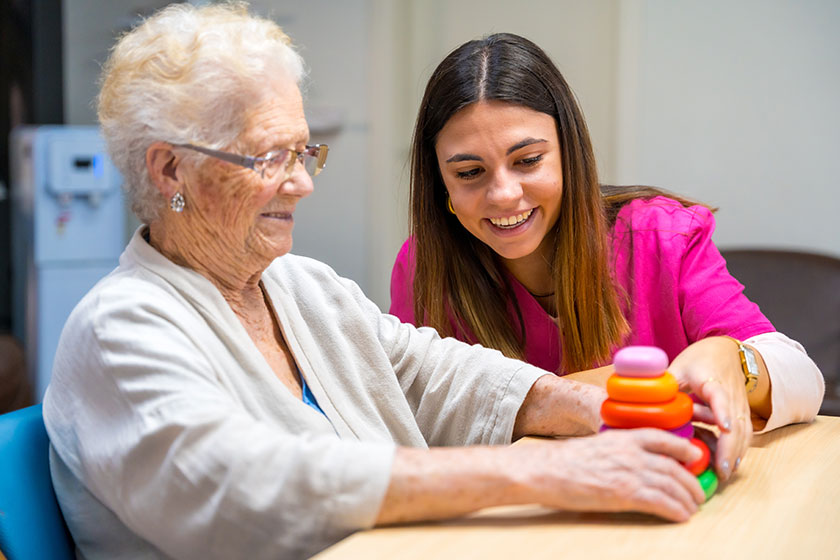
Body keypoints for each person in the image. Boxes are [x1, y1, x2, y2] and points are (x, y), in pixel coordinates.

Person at [42, 6, 716, 560]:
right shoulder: (121, 328)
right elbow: (252, 487)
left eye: (304, 153)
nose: (303, 182)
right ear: (170, 173)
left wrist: (591, 412)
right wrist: (545, 471)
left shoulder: (297, 285)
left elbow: (430, 372)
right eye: (270, 158)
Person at [390, 32, 824, 483]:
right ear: (441, 182)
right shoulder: (424, 268)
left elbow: (805, 381)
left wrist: (733, 360)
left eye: (528, 160)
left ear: (568, 153)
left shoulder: (663, 237)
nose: (503, 194)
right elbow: (412, 419)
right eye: (469, 173)